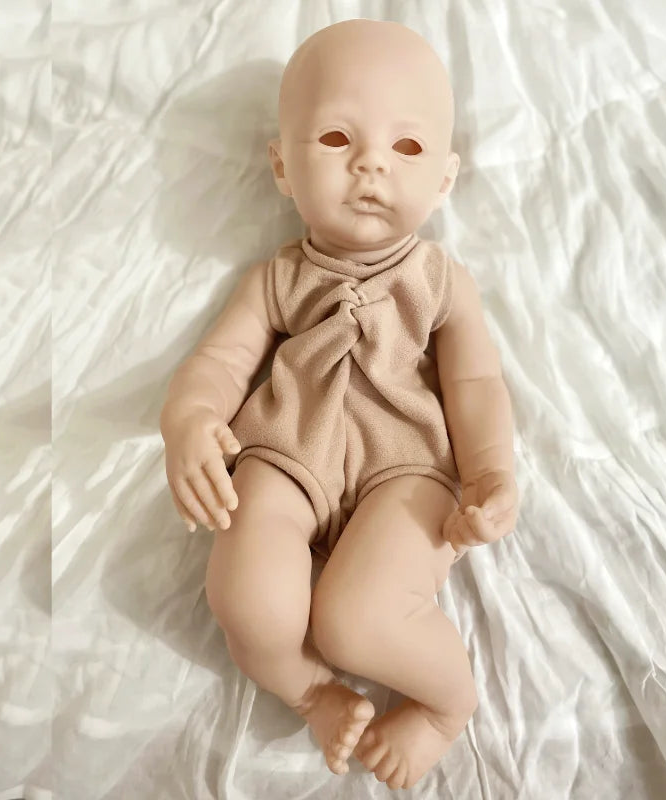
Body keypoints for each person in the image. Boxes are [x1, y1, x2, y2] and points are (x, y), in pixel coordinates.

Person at [160, 18, 518, 791]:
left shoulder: (440, 281)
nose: (370, 163)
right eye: (334, 138)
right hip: (286, 456)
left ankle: (446, 706)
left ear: (445, 180)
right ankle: (311, 692)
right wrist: (188, 420)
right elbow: (219, 364)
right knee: (247, 600)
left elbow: (477, 385)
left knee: (358, 619)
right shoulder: (275, 279)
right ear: (282, 167)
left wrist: (492, 473)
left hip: (406, 471)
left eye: (407, 146)